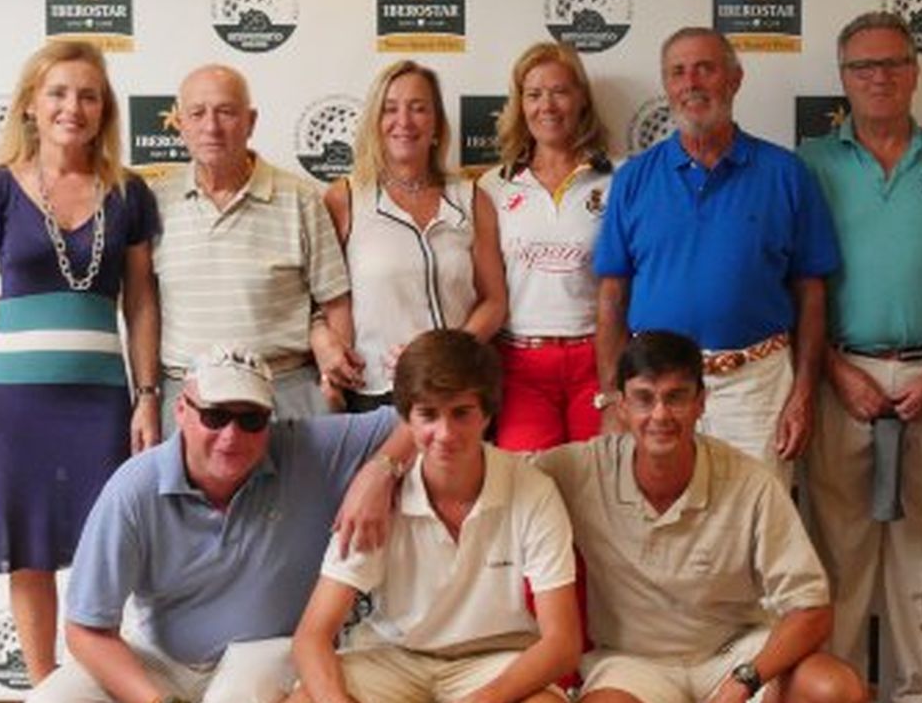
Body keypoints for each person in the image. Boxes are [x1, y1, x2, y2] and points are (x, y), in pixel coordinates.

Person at [17, 347, 413, 703]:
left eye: (251, 420)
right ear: (181, 410)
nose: (231, 436)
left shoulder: (308, 446)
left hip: (269, 653)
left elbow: (421, 416)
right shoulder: (133, 489)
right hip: (166, 654)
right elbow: (86, 630)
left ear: (271, 418)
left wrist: (379, 470)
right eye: (215, 416)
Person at [0, 39, 160, 703]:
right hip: (16, 405)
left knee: (109, 553)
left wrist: (148, 392)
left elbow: (141, 301)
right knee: (31, 557)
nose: (74, 108)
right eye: (59, 92)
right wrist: (29, 322)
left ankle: (116, 701)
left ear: (105, 111)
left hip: (101, 400)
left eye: (89, 95)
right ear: (32, 102)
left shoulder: (128, 191)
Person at [533, 331, 870, 703]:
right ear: (621, 406)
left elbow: (811, 609)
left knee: (840, 698)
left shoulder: (750, 480)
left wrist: (741, 685)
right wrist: (386, 467)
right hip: (635, 661)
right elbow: (493, 477)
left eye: (676, 397)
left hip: (733, 653)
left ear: (701, 403)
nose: (660, 415)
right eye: (644, 399)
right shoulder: (578, 467)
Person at [263, 329, 580, 703]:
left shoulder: (531, 490)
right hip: (397, 657)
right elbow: (312, 635)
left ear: (488, 414)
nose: (446, 434)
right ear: (407, 418)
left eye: (462, 413)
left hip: (492, 659)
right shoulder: (376, 500)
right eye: (428, 415)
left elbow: (561, 642)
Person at [798, 10, 922, 703]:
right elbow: (798, 281)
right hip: (839, 375)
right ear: (842, 79)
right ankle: (836, 700)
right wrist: (832, 370)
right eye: (862, 67)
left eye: (893, 64)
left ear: (916, 70)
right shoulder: (811, 161)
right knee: (838, 550)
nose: (879, 77)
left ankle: (916, 698)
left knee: (916, 549)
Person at [594, 27, 839, 482]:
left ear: (735, 79)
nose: (692, 83)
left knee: (755, 530)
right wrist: (613, 398)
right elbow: (611, 297)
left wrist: (803, 392)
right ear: (666, 86)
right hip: (656, 389)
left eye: (706, 69)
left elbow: (811, 293)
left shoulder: (786, 174)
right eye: (678, 72)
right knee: (660, 525)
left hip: (756, 388)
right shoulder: (633, 179)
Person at [151, 64, 354, 420]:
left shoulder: (300, 198)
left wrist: (333, 386)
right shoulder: (154, 201)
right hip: (187, 399)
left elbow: (335, 301)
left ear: (251, 121)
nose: (211, 127)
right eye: (197, 114)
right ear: (180, 124)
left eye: (226, 112)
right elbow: (142, 310)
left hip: (286, 394)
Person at [322, 59, 508, 411]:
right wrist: (326, 355)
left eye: (418, 108)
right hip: (376, 393)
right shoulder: (344, 198)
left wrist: (445, 353)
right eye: (390, 109)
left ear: (436, 123)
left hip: (462, 390)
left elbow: (494, 302)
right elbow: (321, 302)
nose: (403, 122)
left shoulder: (471, 197)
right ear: (375, 122)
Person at [479, 41, 615, 450]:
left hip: (595, 359)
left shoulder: (617, 179)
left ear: (581, 100)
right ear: (520, 105)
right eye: (534, 94)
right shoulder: (492, 186)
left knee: (598, 485)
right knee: (526, 485)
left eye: (560, 91)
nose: (547, 106)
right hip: (521, 366)